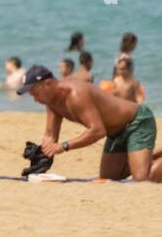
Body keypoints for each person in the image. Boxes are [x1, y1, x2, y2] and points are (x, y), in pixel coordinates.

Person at [19, 64, 162, 182]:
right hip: (115, 132)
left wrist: (64, 146)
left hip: (137, 121)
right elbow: (50, 136)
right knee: (109, 177)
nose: (34, 99)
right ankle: (143, 157)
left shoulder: (76, 94)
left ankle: (141, 162)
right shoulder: (51, 102)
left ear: (47, 83)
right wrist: (41, 161)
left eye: (34, 92)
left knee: (143, 178)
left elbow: (98, 131)